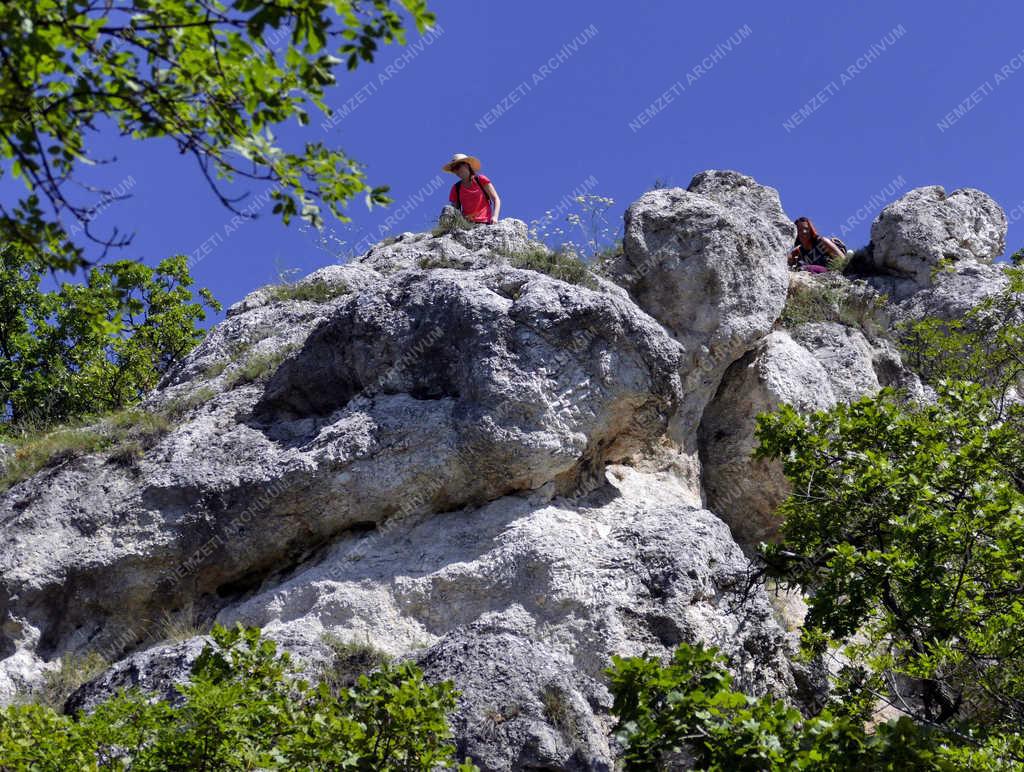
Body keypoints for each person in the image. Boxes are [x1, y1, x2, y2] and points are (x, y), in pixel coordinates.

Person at [439, 153, 501, 227]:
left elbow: (496, 198)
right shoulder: (456, 188)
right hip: (466, 224)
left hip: (484, 222)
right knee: (447, 209)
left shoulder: (480, 180)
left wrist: (495, 217)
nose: (456, 171)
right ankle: (445, 232)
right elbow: (454, 209)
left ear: (466, 165)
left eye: (458, 167)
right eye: (453, 169)